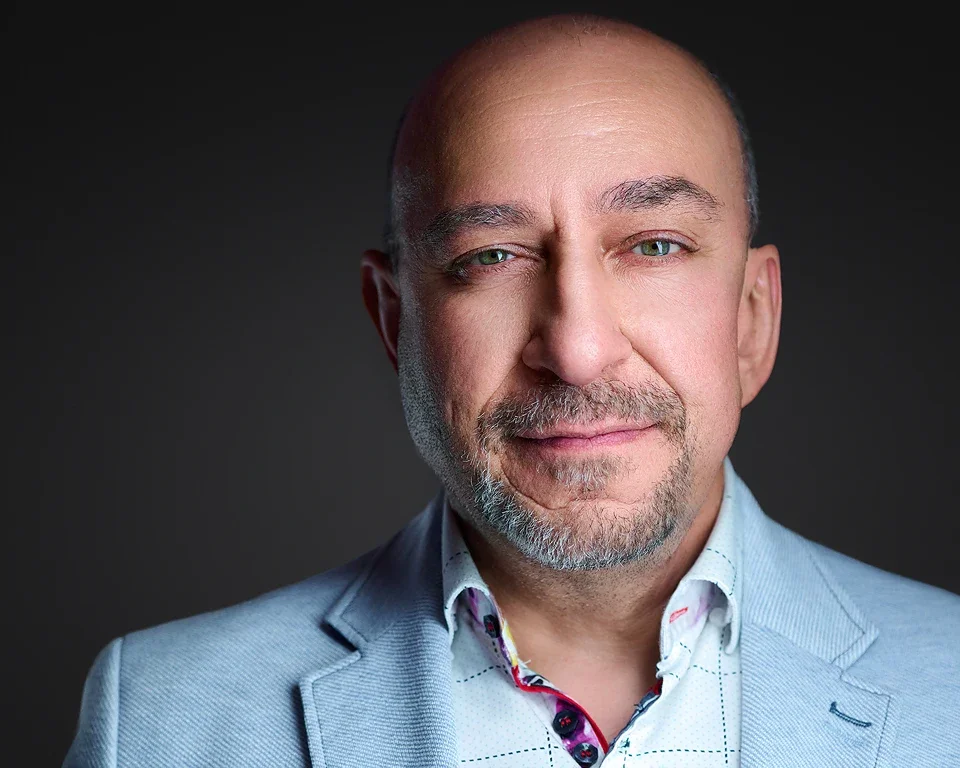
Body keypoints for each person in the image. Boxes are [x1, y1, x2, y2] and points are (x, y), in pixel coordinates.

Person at [63, 14, 960, 768]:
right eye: (490, 257)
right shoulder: (154, 720)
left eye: (653, 245)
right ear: (395, 321)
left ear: (753, 320)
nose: (576, 350)